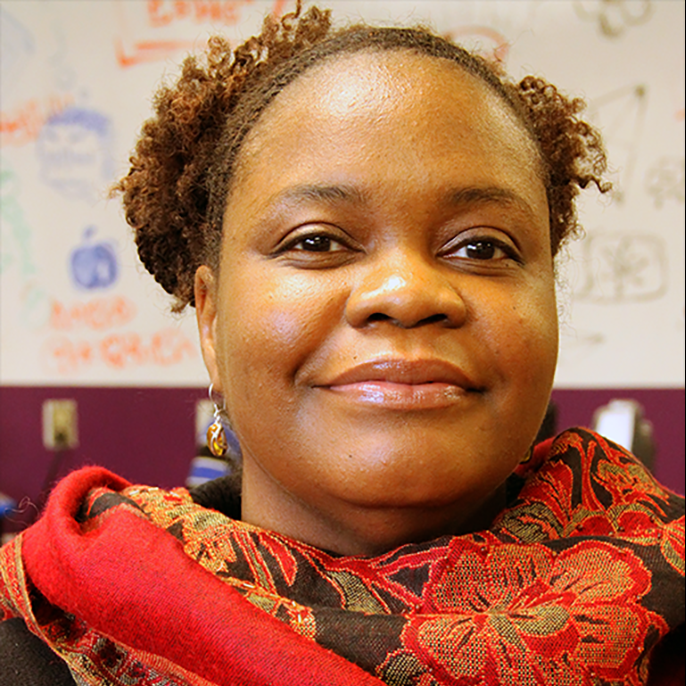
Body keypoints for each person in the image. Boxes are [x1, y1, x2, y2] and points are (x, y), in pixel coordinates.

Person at [1, 3, 683, 685]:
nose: (406, 293)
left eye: (481, 246)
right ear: (211, 321)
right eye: (317, 241)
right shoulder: (45, 638)